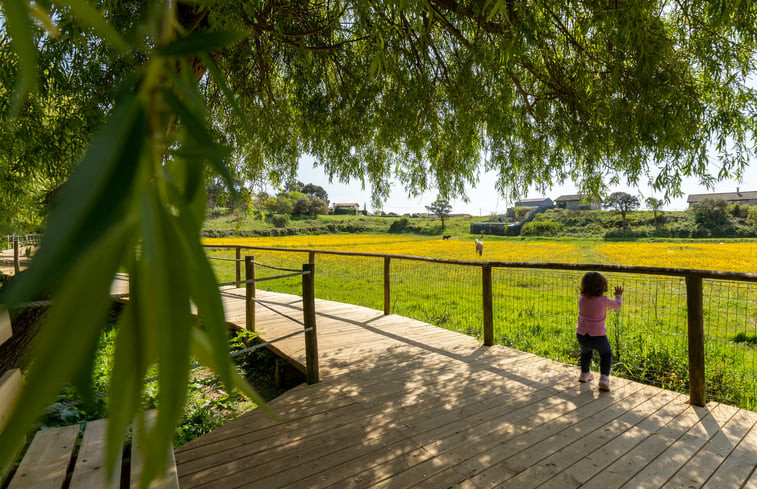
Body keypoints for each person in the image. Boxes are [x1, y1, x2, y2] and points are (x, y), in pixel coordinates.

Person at [576, 271, 623, 391]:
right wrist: (618, 295)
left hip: (581, 334)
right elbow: (617, 306)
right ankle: (603, 378)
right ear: (602, 286)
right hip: (598, 335)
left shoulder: (581, 298)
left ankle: (584, 374)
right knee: (606, 354)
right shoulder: (603, 299)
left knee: (585, 353)